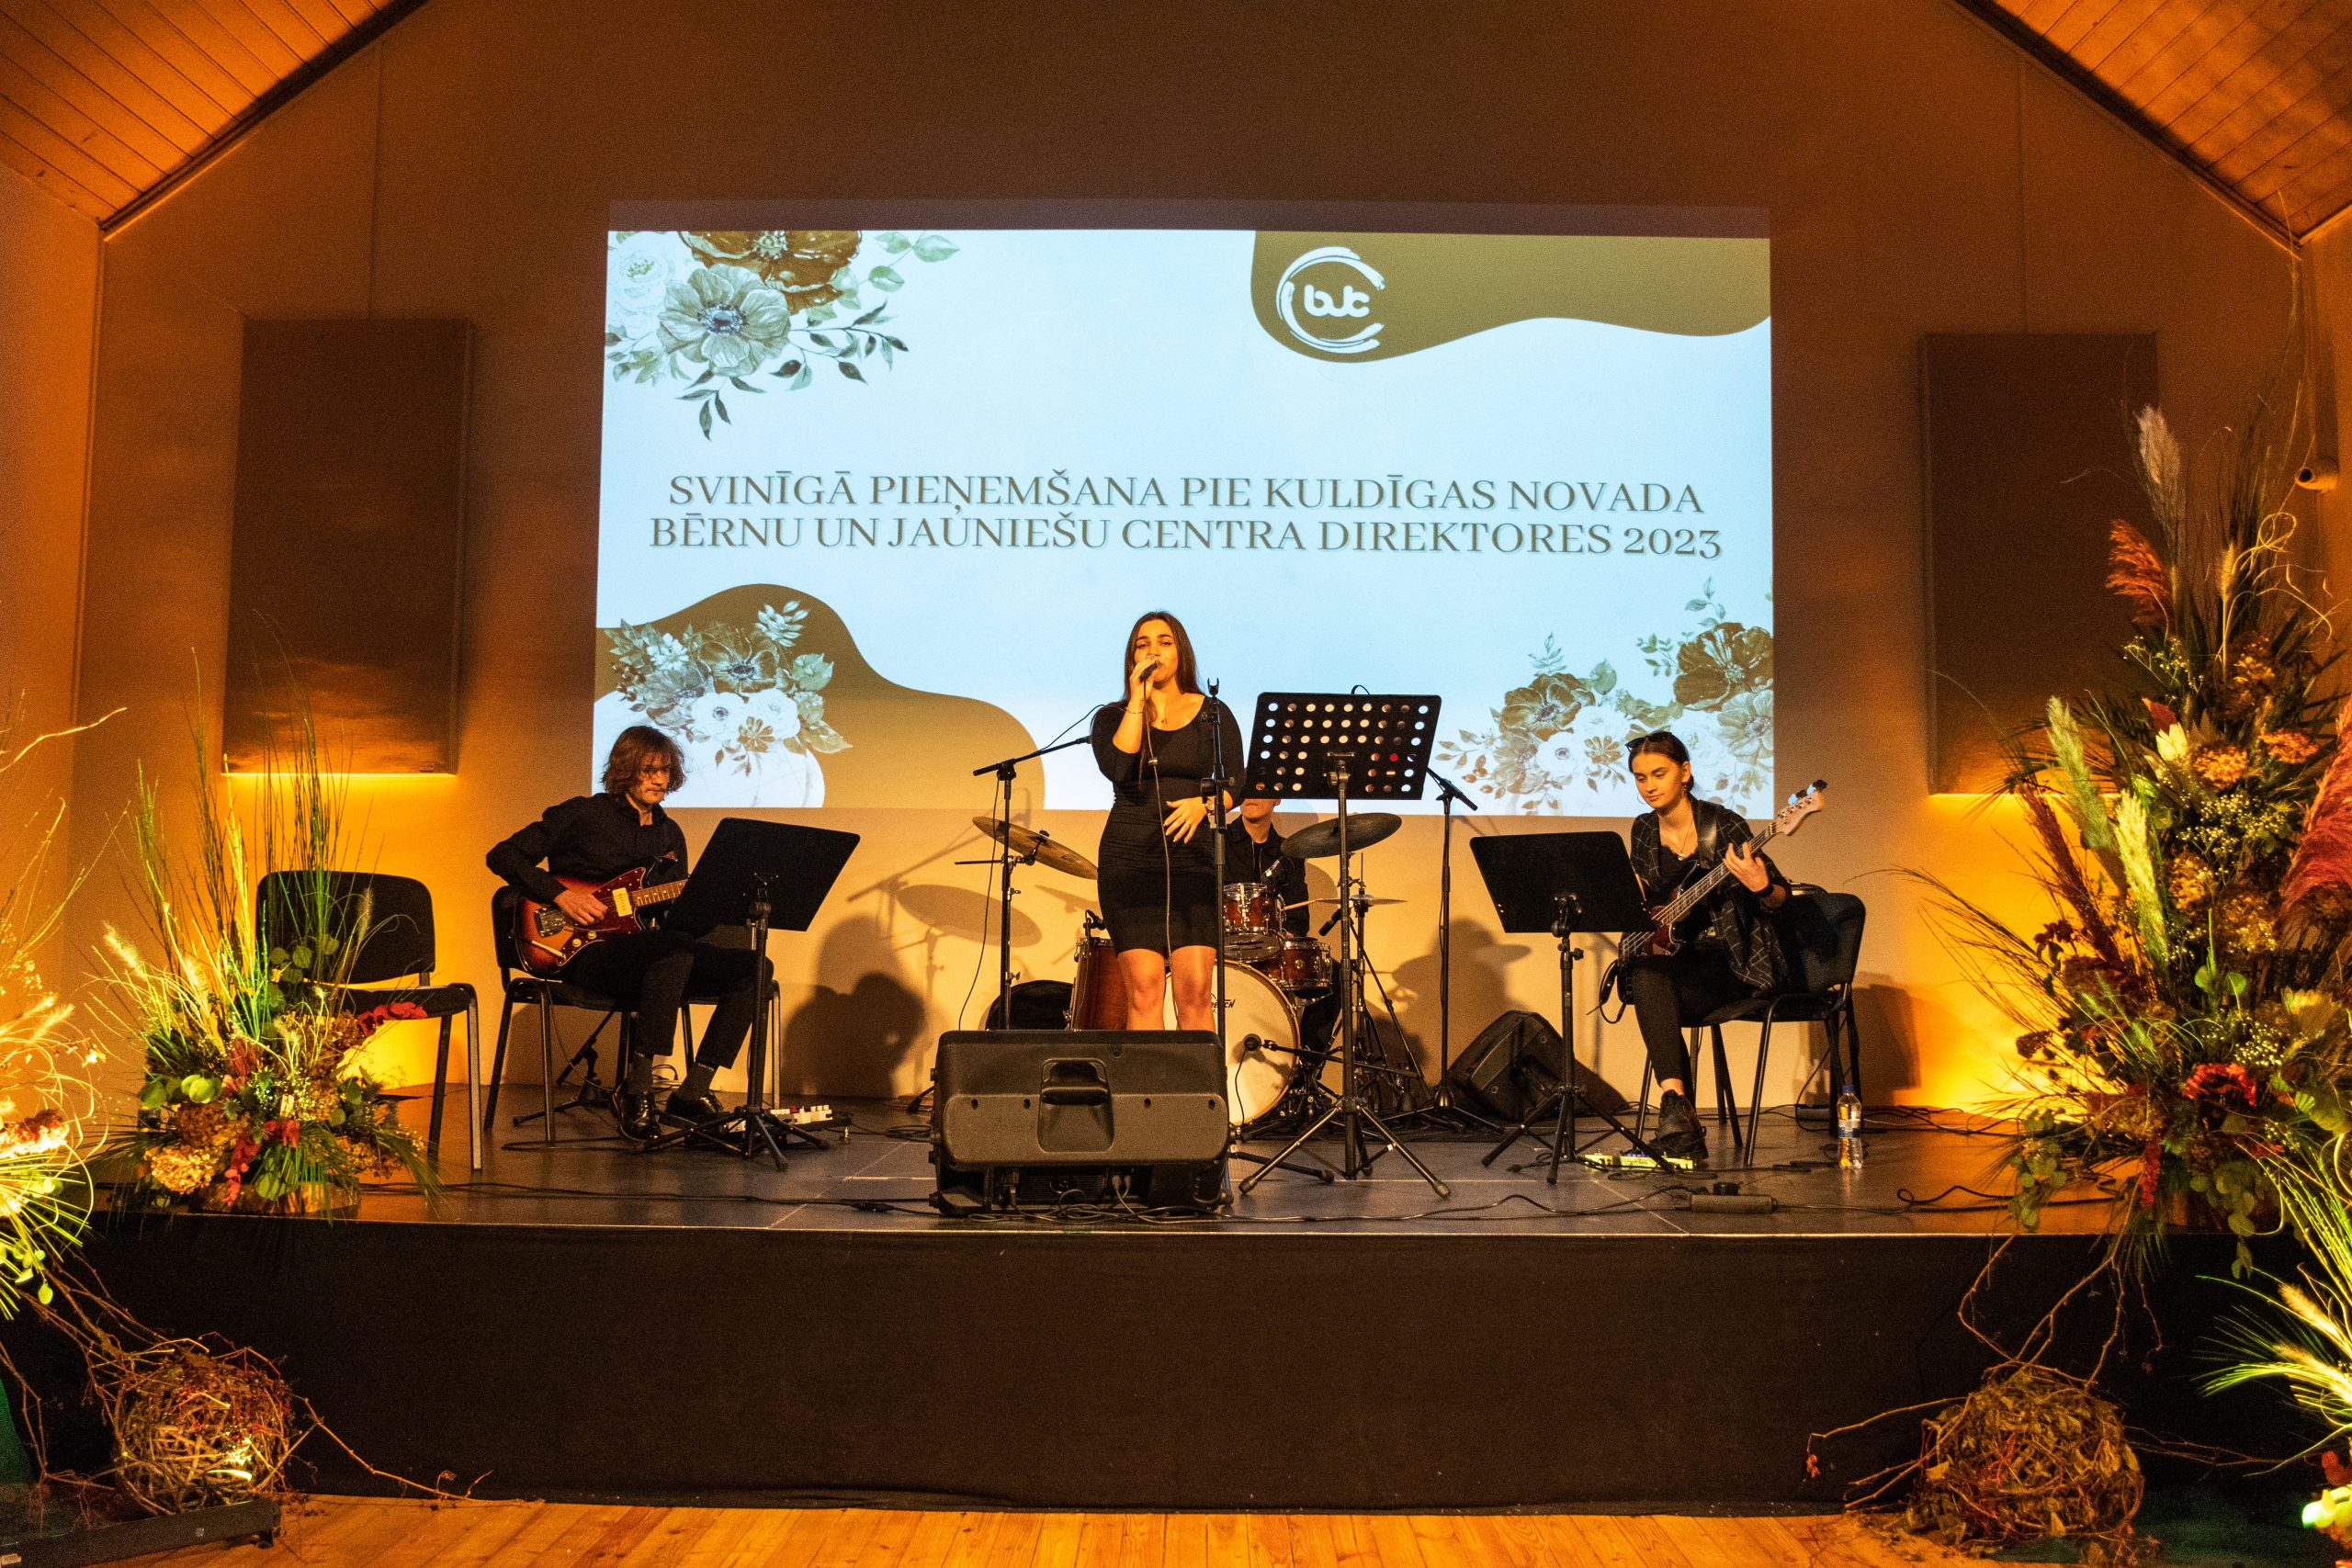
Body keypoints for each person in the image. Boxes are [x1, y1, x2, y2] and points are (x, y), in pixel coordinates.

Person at [486, 726, 768, 1139]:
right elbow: (503, 855)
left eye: (666, 771)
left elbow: (678, 923)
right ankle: (637, 1091)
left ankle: (692, 1091)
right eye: (649, 770)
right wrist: (562, 896)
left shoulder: (669, 834)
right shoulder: (582, 814)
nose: (660, 779)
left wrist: (713, 904)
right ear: (625, 769)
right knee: (671, 951)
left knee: (754, 967)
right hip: (583, 951)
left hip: (649, 952)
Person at [1618, 730, 1789, 1162]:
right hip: (1675, 960)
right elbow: (1646, 897)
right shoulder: (1643, 828)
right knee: (1645, 975)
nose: (1649, 785)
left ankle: (1679, 1124)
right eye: (1640, 777)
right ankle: (1677, 1109)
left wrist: (1761, 886)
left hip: (1730, 962)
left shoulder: (1724, 824)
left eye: (1659, 774)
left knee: (1653, 987)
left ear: (1685, 772)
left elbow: (1780, 899)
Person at [1091, 610, 1245, 1031]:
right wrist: (1136, 700)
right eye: (1142, 644)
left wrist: (1205, 805)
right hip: (1130, 862)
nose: (1153, 651)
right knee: (1144, 992)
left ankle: (1197, 1078)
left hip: (1193, 861)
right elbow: (1119, 767)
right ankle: (1148, 1078)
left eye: (1164, 642)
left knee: (1194, 994)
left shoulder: (1213, 713)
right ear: (1132, 657)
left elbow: (1237, 782)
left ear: (1181, 651)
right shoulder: (1112, 716)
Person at [1223, 796, 1310, 939]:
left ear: (1277, 799)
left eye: (1259, 788)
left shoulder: (1289, 853)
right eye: (1245, 790)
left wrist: (1290, 933)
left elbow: (1298, 917)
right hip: (1222, 945)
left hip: (1273, 946)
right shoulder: (1216, 842)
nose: (1251, 796)